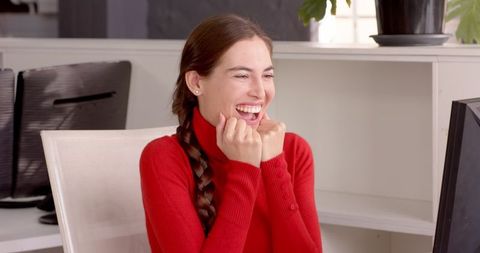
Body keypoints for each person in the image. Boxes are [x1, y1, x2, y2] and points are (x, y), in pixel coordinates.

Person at [140, 14, 322, 253]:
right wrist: (244, 170)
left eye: (267, 75)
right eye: (242, 75)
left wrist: (274, 165)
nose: (260, 92)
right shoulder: (162, 158)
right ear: (196, 82)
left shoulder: (294, 150)